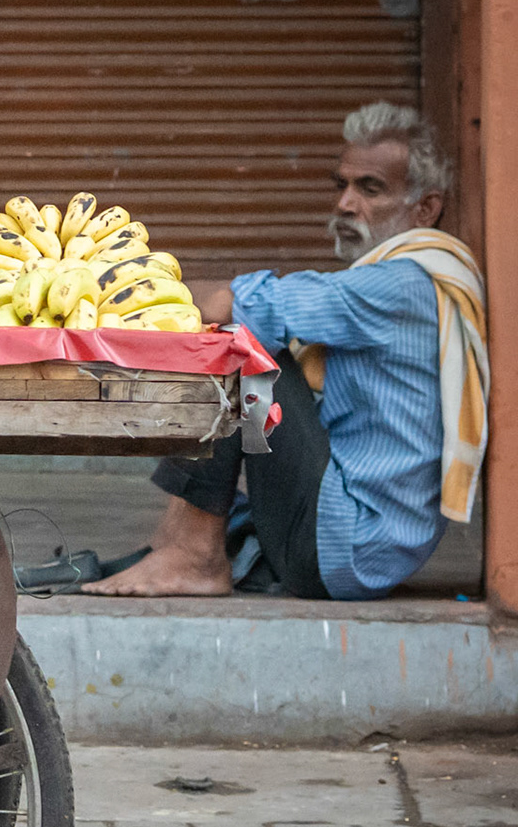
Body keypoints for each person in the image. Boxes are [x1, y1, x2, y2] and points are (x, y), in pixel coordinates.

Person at [80, 102, 488, 600]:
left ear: (425, 209)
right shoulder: (418, 277)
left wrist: (106, 296)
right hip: (352, 548)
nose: (345, 203)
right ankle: (176, 543)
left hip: (339, 550)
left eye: (370, 188)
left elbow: (240, 306)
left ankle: (193, 555)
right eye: (341, 185)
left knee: (237, 342)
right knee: (246, 342)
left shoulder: (400, 285)